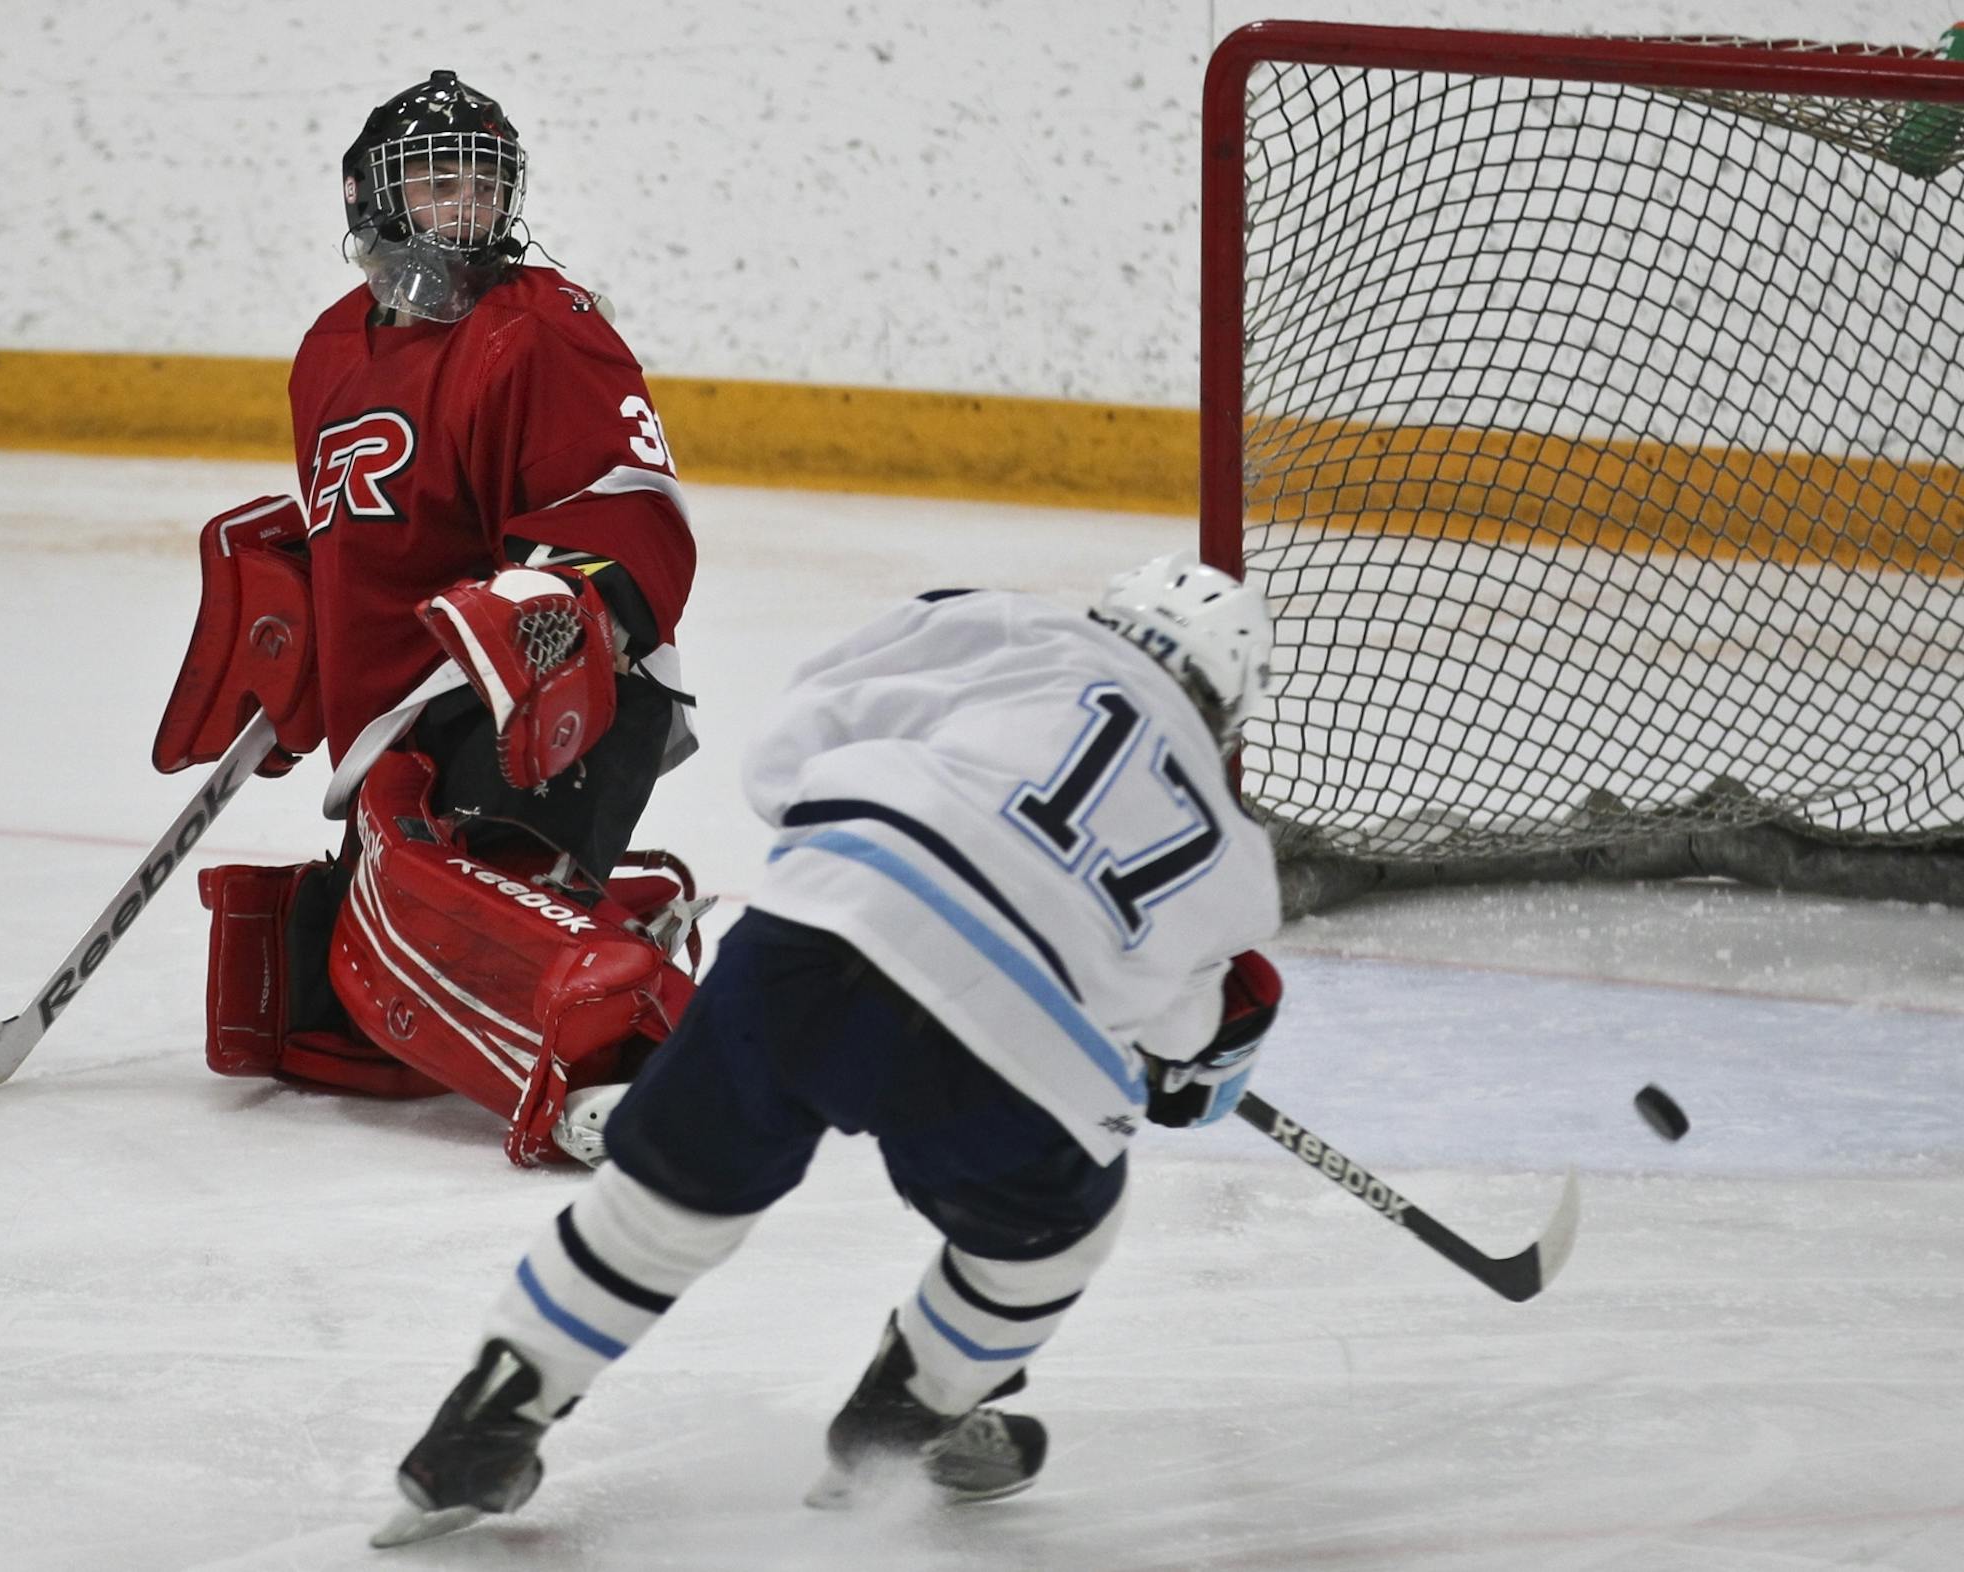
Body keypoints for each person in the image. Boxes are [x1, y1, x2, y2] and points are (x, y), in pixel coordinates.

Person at [368, 551, 1289, 1547]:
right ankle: (903, 1421)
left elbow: (799, 740)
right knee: (1051, 1237)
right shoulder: (1238, 861)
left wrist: (845, 844)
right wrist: (1193, 1062)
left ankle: (489, 1420)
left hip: (827, 924)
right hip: (1015, 1045)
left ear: (1112, 618)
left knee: (670, 1197)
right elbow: (1184, 1054)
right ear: (1228, 705)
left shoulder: (1006, 625)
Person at [149, 70, 704, 1165]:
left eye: (482, 184)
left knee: (423, 899)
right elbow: (356, 527)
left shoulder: (545, 328)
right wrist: (297, 613)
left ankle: (638, 1052)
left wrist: (554, 615)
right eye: (436, 182)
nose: (465, 208)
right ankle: (628, 910)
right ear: (370, 199)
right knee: (327, 1014)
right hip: (393, 713)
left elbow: (630, 507)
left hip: (533, 690)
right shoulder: (328, 349)